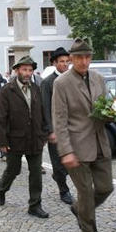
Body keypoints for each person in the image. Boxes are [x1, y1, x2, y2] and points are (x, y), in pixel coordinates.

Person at [52, 38, 113, 232]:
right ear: (71, 59)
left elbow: (105, 107)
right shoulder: (61, 83)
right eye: (79, 57)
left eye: (87, 57)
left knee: (106, 188)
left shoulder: (99, 78)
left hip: (100, 143)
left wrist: (113, 113)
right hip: (77, 148)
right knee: (86, 192)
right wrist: (66, 150)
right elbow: (59, 120)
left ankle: (79, 208)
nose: (84, 62)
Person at [0, 56, 49, 218]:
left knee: (35, 173)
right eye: (24, 70)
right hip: (15, 138)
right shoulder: (7, 90)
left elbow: (42, 111)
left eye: (30, 70)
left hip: (35, 138)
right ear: (17, 70)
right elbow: (1, 118)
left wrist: (45, 132)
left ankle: (35, 204)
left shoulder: (36, 88)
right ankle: (1, 188)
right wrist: (2, 142)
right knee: (13, 169)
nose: (27, 73)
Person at [41, 47, 74, 205]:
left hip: (73, 128)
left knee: (72, 161)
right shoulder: (48, 82)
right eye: (62, 62)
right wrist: (50, 130)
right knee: (58, 163)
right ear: (54, 63)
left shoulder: (74, 79)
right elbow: (45, 107)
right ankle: (64, 190)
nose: (65, 64)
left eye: (67, 61)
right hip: (56, 129)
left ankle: (59, 176)